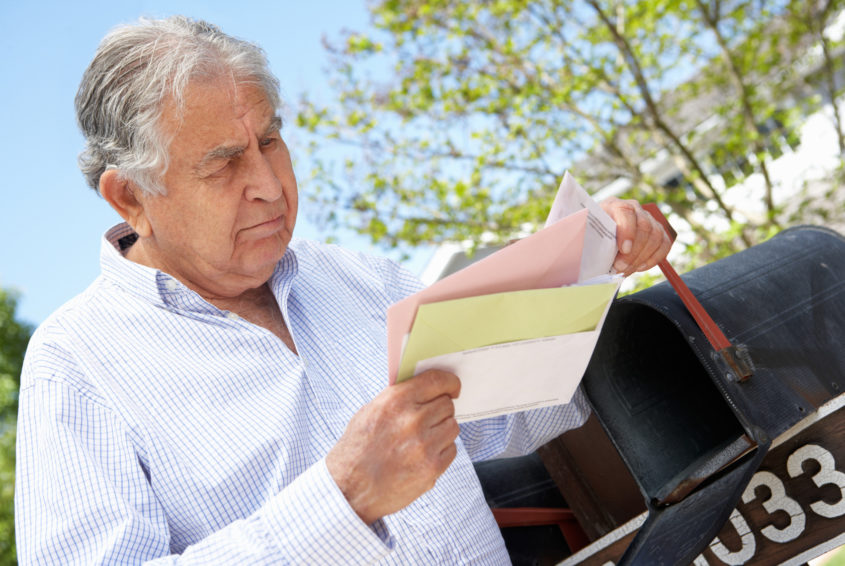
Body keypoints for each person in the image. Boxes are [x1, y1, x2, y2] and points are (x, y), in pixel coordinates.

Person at [15, 16, 672, 565]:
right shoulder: (74, 367)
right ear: (131, 196)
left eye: (270, 140)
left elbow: (514, 414)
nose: (270, 185)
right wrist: (343, 499)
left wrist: (587, 260)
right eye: (223, 165)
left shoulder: (357, 278)